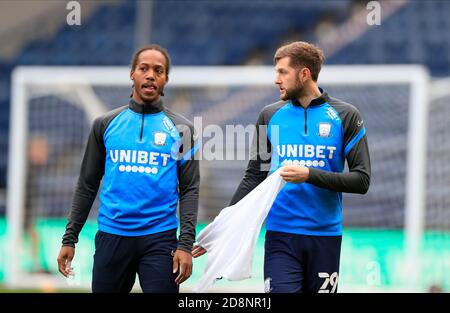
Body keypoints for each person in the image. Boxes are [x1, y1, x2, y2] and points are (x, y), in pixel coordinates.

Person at [193, 41, 370, 293]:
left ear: (304, 73)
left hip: (326, 236)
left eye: (282, 72)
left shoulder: (345, 116)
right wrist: (222, 227)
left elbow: (361, 180)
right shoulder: (269, 115)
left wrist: (309, 175)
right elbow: (254, 176)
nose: (276, 79)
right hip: (281, 236)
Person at [57, 44, 200, 293]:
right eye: (144, 68)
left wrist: (185, 244)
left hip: (160, 239)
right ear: (132, 74)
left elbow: (189, 189)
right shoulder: (104, 124)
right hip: (112, 237)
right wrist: (70, 238)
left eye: (158, 70)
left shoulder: (182, 129)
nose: (150, 75)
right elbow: (87, 184)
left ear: (166, 79)